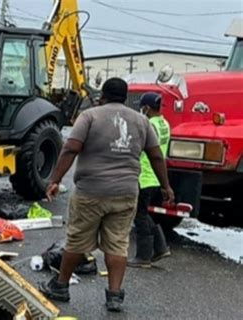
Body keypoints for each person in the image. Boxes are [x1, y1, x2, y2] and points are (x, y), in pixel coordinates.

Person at [38, 78, 174, 312]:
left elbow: (71, 148)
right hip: (125, 192)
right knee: (118, 244)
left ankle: (60, 286)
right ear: (125, 96)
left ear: (103, 96)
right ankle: (114, 296)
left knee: (77, 240)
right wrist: (166, 187)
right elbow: (156, 156)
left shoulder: (90, 116)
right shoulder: (142, 121)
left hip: (91, 190)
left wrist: (55, 180)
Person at [128, 92, 171, 268]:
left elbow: (137, 147)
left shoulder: (148, 124)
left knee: (140, 216)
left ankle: (143, 256)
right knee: (145, 214)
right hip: (155, 176)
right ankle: (160, 247)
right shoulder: (164, 123)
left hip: (144, 175)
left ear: (146, 107)